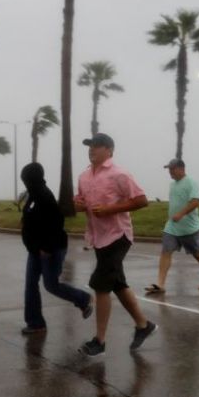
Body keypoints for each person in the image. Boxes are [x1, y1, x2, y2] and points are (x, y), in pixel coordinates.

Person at [74, 133, 157, 357]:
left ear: (109, 150)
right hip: (98, 237)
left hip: (118, 236)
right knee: (117, 284)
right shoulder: (83, 176)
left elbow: (141, 200)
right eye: (90, 146)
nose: (92, 149)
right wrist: (78, 204)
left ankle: (99, 341)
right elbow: (79, 201)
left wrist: (111, 209)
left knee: (101, 285)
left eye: (97, 146)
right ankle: (143, 325)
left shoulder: (119, 174)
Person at [20, 162, 93, 335]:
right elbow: (30, 215)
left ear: (34, 179)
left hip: (50, 249)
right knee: (30, 285)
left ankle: (83, 299)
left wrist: (46, 248)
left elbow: (56, 223)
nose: (25, 182)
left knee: (51, 285)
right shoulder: (33, 195)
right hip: (35, 250)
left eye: (27, 179)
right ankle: (36, 323)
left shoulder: (45, 196)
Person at [145, 159, 199, 295]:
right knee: (166, 251)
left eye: (172, 169)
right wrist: (173, 216)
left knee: (197, 253)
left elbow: (196, 202)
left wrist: (181, 214)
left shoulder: (191, 182)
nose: (170, 172)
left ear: (181, 169)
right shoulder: (172, 185)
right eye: (169, 170)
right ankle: (160, 284)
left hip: (189, 227)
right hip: (172, 226)